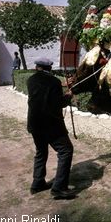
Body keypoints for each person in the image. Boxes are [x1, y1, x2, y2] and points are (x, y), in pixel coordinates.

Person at [27, 57, 76, 199]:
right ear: (50, 68)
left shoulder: (31, 80)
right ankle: (59, 188)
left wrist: (62, 85)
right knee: (66, 151)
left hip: (34, 124)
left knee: (41, 152)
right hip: (51, 125)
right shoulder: (53, 82)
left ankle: (37, 184)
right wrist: (68, 95)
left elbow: (44, 90)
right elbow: (59, 103)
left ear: (37, 67)